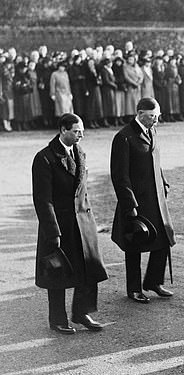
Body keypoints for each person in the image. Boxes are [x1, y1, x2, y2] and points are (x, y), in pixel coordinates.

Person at [32, 113, 108, 334]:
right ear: (63, 130)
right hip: (59, 225)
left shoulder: (79, 152)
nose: (81, 135)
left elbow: (82, 189)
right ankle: (57, 319)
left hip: (82, 222)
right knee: (57, 271)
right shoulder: (45, 158)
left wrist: (90, 220)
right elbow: (42, 200)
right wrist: (52, 232)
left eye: (82, 130)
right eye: (76, 131)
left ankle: (82, 312)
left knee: (89, 266)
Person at [110, 97, 175, 303]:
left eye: (157, 116)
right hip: (136, 202)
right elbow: (120, 176)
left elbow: (155, 160)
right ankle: (134, 288)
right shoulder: (124, 137)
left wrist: (163, 182)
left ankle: (154, 282)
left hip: (156, 198)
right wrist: (130, 204)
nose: (156, 120)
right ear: (139, 114)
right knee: (134, 244)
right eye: (152, 116)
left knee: (164, 239)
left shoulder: (152, 131)